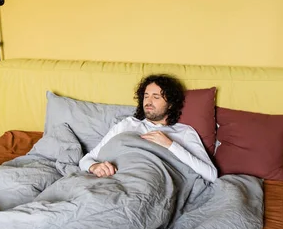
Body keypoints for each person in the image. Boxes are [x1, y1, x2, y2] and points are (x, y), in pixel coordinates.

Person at [78, 74, 218, 182]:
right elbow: (86, 160)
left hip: (152, 183)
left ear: (170, 104)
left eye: (156, 97)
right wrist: (94, 167)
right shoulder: (128, 124)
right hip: (114, 180)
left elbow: (211, 175)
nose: (149, 102)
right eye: (146, 96)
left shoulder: (184, 132)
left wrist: (170, 145)